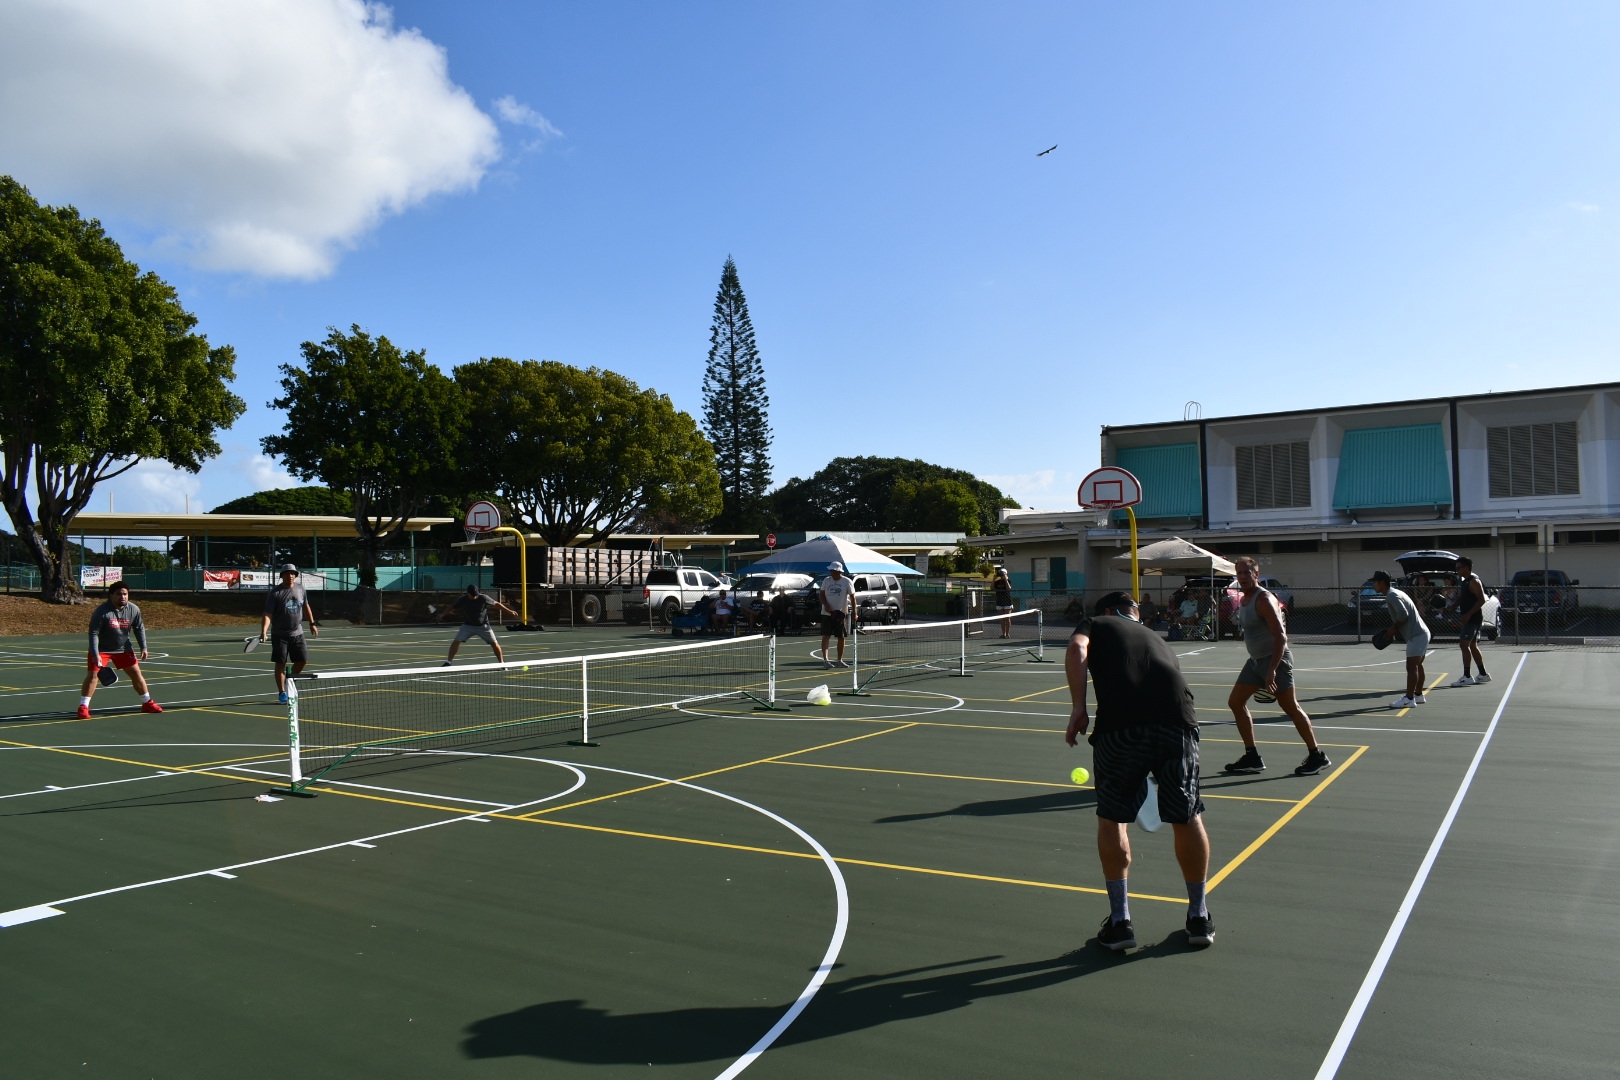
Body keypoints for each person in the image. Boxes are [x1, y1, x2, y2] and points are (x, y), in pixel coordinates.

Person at [1065, 591, 1214, 950]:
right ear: (1135, 613)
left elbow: (1077, 649)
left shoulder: (1096, 622)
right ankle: (1199, 917)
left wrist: (1078, 707)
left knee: (1113, 819)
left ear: (1108, 611)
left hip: (1121, 726)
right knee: (1187, 814)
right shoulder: (1155, 636)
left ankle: (1121, 923)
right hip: (1178, 721)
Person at [1223, 557, 1331, 776]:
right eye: (1239, 573)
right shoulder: (1244, 599)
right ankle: (1252, 757)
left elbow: (1281, 637)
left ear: (1256, 574)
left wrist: (1271, 670)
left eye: (1247, 572)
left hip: (1275, 661)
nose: (1243, 577)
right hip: (1255, 661)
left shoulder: (1264, 599)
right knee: (1235, 702)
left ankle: (1317, 755)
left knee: (1290, 707)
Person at [79, 581, 163, 718]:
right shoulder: (102, 611)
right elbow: (93, 633)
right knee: (93, 676)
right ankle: (83, 707)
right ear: (111, 595)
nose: (122, 597)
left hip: (124, 649)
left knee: (137, 674)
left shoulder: (133, 609)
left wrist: (143, 647)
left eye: (125, 594)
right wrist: (95, 653)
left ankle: (147, 703)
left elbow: (139, 628)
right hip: (102, 650)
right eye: (119, 594)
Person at [261, 564, 320, 702]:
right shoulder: (275, 593)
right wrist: (264, 631)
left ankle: (291, 680)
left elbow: (306, 606)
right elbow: (268, 614)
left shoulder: (300, 589)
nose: (290, 576)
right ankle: (282, 692)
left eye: (293, 573)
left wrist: (312, 624)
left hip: (297, 633)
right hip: (279, 634)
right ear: (282, 575)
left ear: (295, 575)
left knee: (302, 660)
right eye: (287, 573)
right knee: (280, 663)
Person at [1370, 570, 1430, 707]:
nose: (1373, 585)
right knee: (1417, 665)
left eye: (1374, 582)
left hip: (1417, 635)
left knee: (1411, 666)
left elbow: (1403, 614)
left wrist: (1393, 628)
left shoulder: (1391, 595)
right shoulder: (1396, 592)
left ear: (1381, 582)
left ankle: (1409, 699)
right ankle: (1418, 695)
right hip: (1421, 633)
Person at [437, 584, 516, 665]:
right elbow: (452, 607)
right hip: (468, 626)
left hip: (483, 626)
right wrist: (443, 614)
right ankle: (449, 662)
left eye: (476, 594)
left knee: (494, 643)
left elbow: (496, 604)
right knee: (456, 641)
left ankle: (502, 664)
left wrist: (510, 611)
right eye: (473, 595)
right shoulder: (463, 599)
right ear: (468, 593)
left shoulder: (483, 598)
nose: (475, 596)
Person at [1448, 557, 1492, 687]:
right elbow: (1461, 598)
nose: (1457, 570)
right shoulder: (1464, 582)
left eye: (1459, 567)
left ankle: (1467, 676)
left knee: (1464, 645)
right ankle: (1483, 674)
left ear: (1467, 568)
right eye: (1456, 568)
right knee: (1472, 645)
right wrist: (1452, 606)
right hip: (1470, 618)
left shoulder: (1474, 581)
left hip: (1473, 619)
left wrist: (1468, 614)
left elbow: (1481, 600)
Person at [819, 561, 856, 668]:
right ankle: (826, 660)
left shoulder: (847, 581)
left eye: (834, 570)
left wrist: (855, 613)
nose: (832, 572)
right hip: (826, 614)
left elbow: (853, 598)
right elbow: (821, 594)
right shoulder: (826, 580)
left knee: (841, 637)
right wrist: (826, 605)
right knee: (826, 635)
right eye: (831, 570)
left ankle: (839, 660)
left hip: (840, 614)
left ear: (839, 571)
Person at [992, 568, 1015, 638]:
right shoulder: (997, 582)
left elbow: (1009, 588)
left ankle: (1007, 634)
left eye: (1002, 573)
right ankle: (1003, 634)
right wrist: (993, 579)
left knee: (1007, 618)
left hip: (1007, 601)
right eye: (1000, 573)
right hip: (999, 601)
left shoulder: (1008, 581)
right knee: (1002, 619)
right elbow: (992, 588)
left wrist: (1005, 579)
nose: (1001, 575)